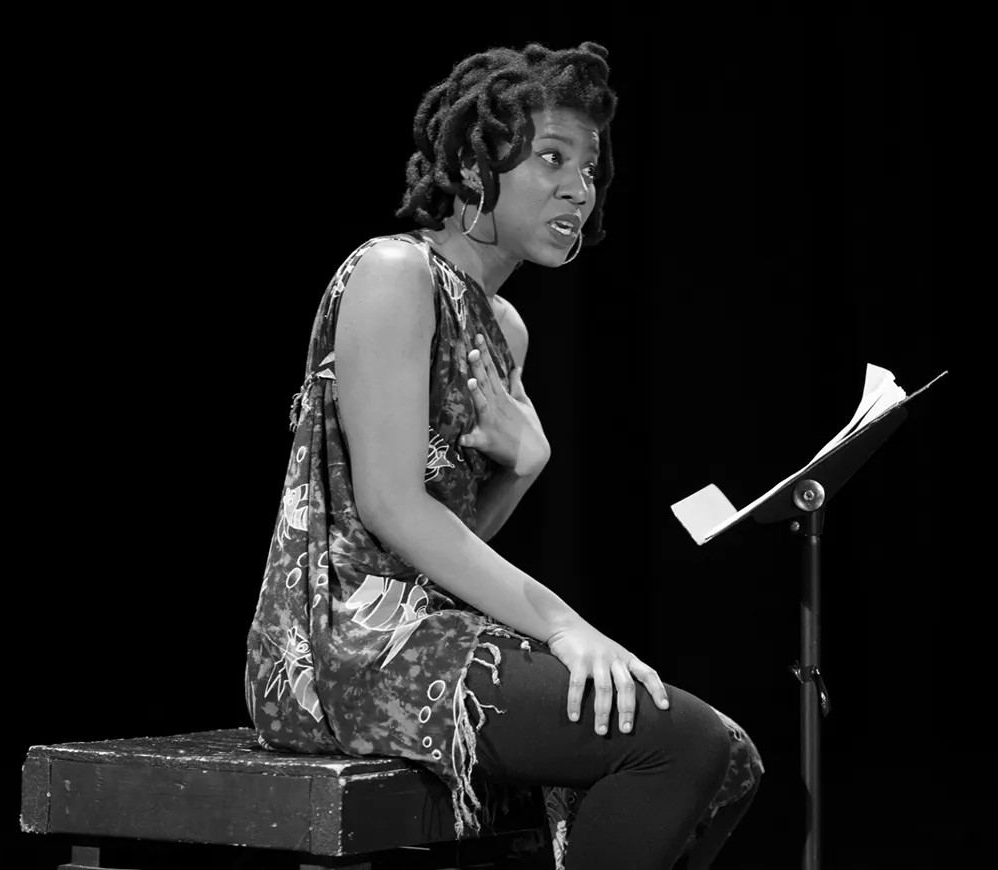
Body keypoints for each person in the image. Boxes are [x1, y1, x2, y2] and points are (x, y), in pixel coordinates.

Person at [244, 41, 763, 869]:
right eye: (552, 158)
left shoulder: (503, 328)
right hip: (338, 648)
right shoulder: (394, 271)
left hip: (423, 623)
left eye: (588, 169)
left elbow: (445, 540)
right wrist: (563, 626)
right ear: (473, 166)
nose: (578, 188)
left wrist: (526, 464)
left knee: (728, 756)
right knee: (681, 744)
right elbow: (388, 507)